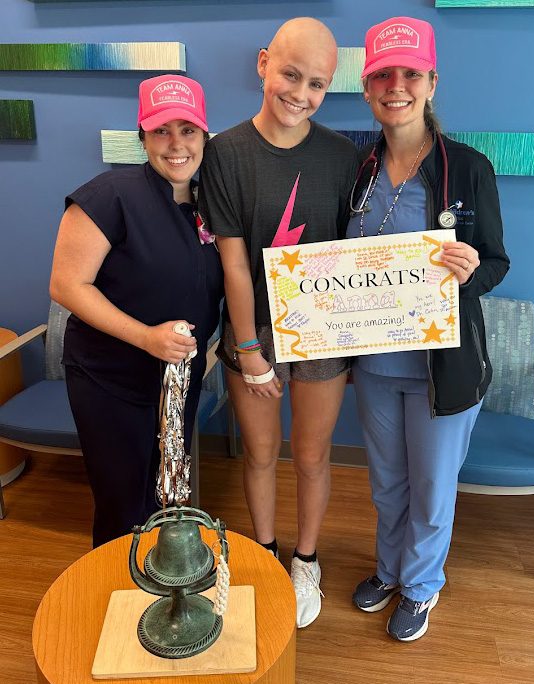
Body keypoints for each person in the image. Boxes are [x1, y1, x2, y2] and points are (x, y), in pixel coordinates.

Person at [347, 16, 509, 641]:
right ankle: (389, 570)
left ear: (432, 82)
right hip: (374, 364)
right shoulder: (357, 169)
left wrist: (470, 272)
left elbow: (495, 261)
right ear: (367, 89)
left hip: (442, 366)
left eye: (410, 73)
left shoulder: (467, 167)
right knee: (387, 483)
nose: (396, 85)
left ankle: (420, 586)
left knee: (434, 487)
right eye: (383, 75)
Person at [198, 17, 359, 628]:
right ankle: (263, 553)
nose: (301, 93)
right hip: (253, 331)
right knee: (261, 454)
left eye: (317, 84)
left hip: (322, 330)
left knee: (313, 457)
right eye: (291, 74)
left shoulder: (344, 157)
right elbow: (233, 262)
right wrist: (247, 348)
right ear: (263, 64)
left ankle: (306, 558)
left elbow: (356, 257)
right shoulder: (225, 152)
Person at [50, 75, 223, 548]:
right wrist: (146, 337)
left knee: (165, 497)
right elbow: (67, 285)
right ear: (141, 136)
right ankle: (117, 593)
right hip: (110, 380)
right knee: (122, 505)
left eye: (187, 131)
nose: (175, 145)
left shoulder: (212, 201)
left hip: (176, 382)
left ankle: (158, 591)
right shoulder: (109, 195)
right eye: (160, 131)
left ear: (204, 136)